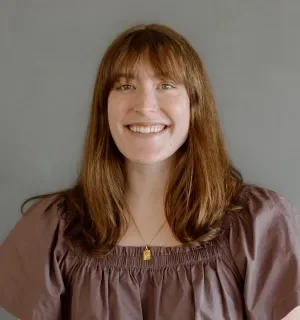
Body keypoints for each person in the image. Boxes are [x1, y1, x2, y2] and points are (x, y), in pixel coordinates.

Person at [0, 23, 299, 320]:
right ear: (104, 107)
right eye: (125, 86)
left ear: (195, 104)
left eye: (166, 85)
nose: (144, 105)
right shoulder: (53, 228)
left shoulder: (259, 224)